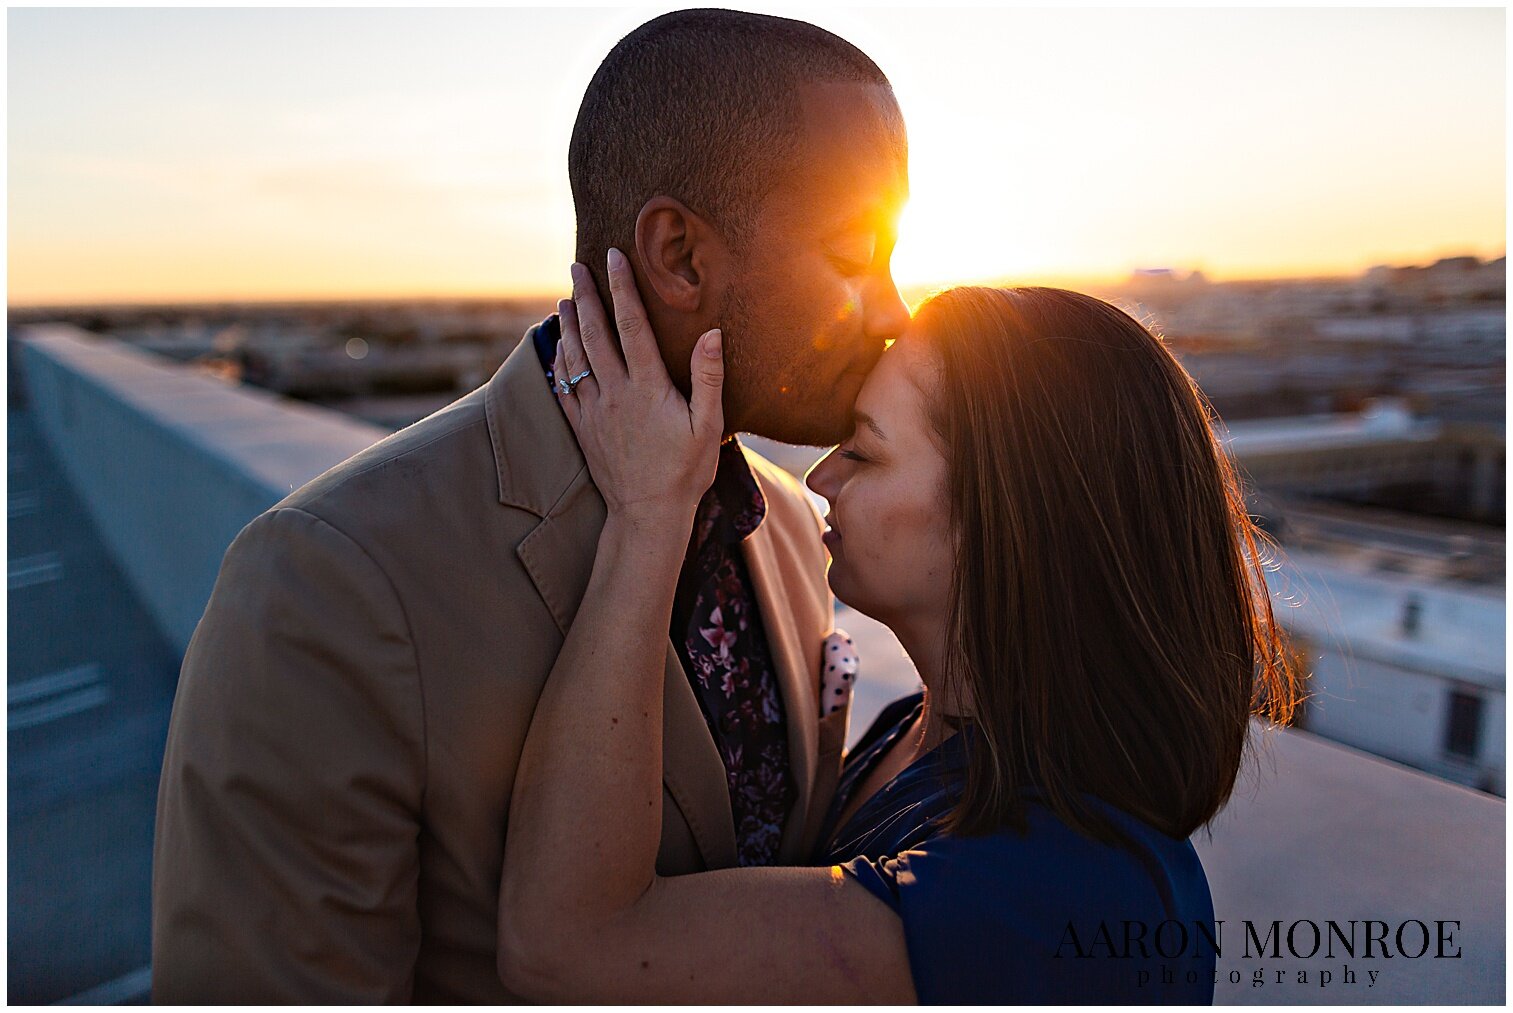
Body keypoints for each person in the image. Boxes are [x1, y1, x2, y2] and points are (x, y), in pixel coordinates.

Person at [150, 10, 909, 1002]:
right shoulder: (329, 579)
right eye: (855, 257)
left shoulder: (790, 524)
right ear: (679, 255)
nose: (894, 310)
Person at [495, 259, 1308, 1002]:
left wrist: (645, 516)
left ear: (999, 522)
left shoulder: (1052, 898)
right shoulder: (921, 733)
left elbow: (571, 948)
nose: (820, 477)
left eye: (865, 451)